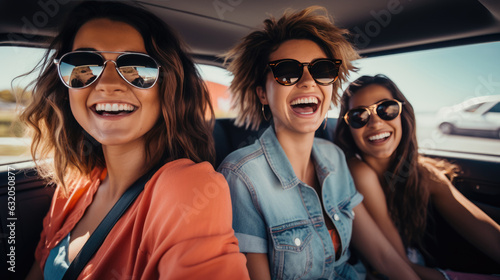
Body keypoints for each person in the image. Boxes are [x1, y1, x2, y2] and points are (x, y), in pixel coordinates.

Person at [22, 2, 249, 279]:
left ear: (168, 86)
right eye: (82, 67)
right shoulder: (72, 186)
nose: (106, 83)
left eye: (136, 69)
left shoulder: (187, 189)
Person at [218, 7, 420, 279]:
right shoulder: (241, 175)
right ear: (262, 94)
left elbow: (382, 256)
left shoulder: (334, 158)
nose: (307, 82)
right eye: (287, 72)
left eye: (322, 70)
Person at [334, 74, 500, 279]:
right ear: (348, 127)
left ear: (402, 114)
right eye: (359, 116)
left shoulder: (423, 173)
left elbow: (489, 234)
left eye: (386, 109)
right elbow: (397, 264)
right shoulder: (358, 172)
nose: (375, 123)